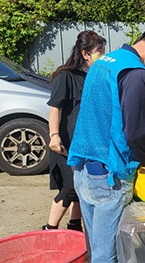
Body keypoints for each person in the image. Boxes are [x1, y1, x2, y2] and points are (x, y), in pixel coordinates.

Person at [67, 23, 145, 262]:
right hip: (111, 177)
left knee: (97, 249)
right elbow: (135, 132)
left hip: (85, 171)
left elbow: (116, 115)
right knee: (108, 254)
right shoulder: (135, 72)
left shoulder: (105, 61)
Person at [44, 31, 106, 231]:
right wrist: (54, 136)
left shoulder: (93, 75)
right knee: (70, 187)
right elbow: (56, 108)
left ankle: (74, 225)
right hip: (65, 143)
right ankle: (49, 228)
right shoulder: (65, 76)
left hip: (85, 142)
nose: (103, 55)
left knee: (82, 185)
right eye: (99, 51)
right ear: (86, 54)